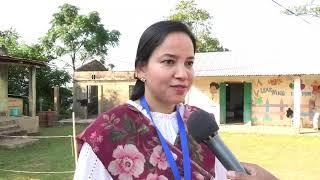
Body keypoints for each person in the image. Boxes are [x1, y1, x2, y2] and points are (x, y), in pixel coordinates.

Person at [73, 20, 278, 180]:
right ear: (141, 69)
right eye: (169, 61)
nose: (182, 73)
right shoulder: (107, 132)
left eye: (189, 63)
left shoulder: (199, 123)